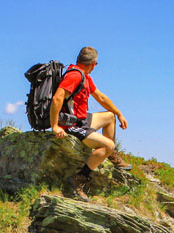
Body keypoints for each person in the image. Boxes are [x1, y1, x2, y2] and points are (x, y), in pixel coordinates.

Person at [50, 46, 131, 201]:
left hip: (81, 119)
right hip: (72, 125)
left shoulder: (84, 76)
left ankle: (111, 155)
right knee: (107, 145)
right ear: (93, 63)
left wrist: (119, 113)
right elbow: (57, 98)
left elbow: (100, 97)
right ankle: (79, 178)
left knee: (109, 116)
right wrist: (55, 126)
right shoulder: (74, 76)